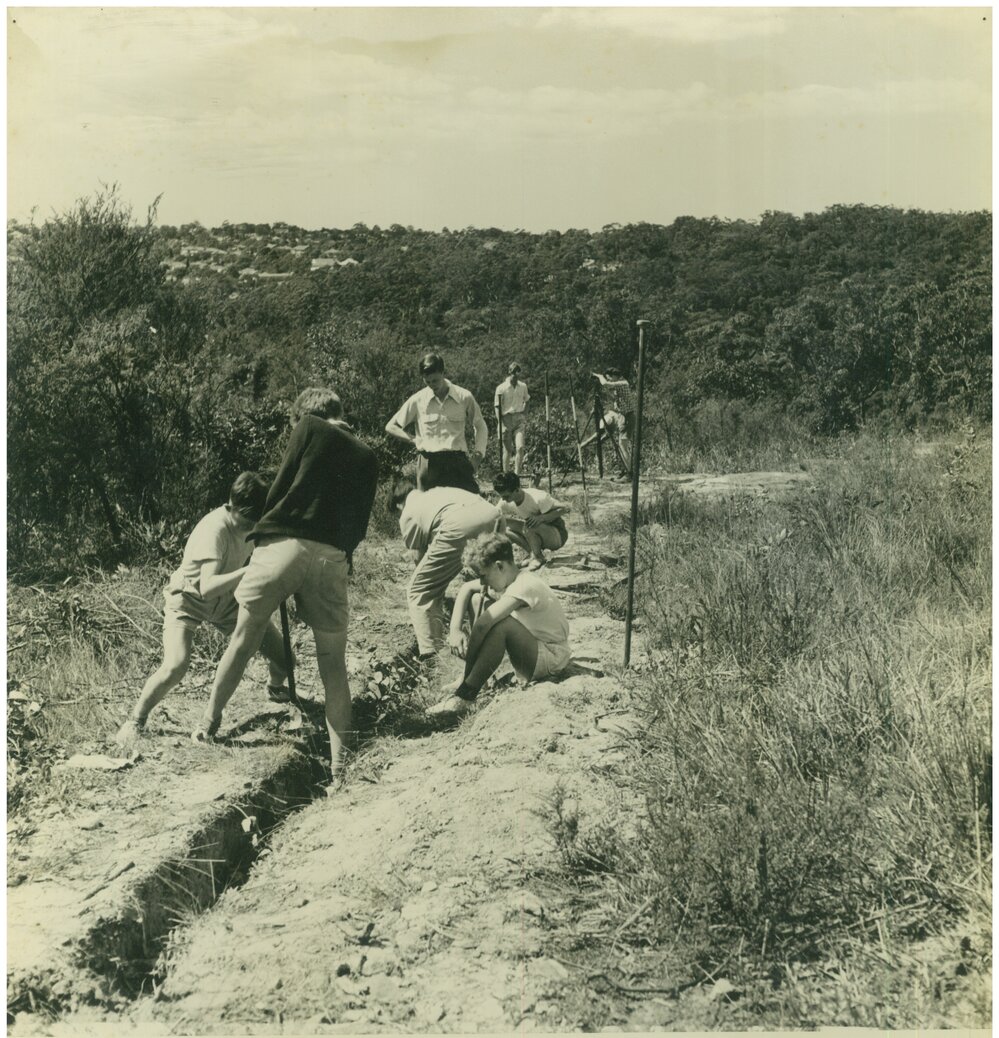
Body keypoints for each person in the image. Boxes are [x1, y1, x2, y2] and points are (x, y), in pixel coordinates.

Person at [191, 388, 378, 777]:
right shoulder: (367, 455)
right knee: (333, 665)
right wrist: (340, 554)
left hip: (283, 545)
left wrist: (264, 535)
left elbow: (281, 487)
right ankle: (340, 767)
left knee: (244, 639)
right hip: (331, 556)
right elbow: (358, 523)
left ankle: (208, 723)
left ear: (306, 413)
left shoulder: (309, 427)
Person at [114, 473, 290, 747]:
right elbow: (207, 587)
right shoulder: (215, 530)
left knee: (285, 659)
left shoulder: (254, 522)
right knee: (175, 665)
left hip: (226, 601)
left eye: (255, 521)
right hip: (188, 598)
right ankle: (136, 720)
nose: (250, 527)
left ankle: (275, 689)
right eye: (246, 520)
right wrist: (250, 571)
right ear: (232, 505)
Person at [426, 533, 572, 718]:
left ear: (499, 566)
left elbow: (482, 626)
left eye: (483, 576)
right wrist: (455, 630)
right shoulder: (511, 578)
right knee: (477, 600)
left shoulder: (524, 585)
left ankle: (466, 694)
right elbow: (466, 588)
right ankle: (474, 679)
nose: (482, 583)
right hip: (535, 648)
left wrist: (467, 671)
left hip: (551, 657)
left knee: (500, 625)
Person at [394, 480, 502, 658]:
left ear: (398, 504)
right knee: (491, 581)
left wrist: (435, 590)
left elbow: (420, 560)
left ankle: (432, 657)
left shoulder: (408, 511)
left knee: (418, 590)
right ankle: (495, 641)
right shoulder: (437, 492)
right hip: (495, 516)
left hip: (461, 525)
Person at [385, 352, 488, 494]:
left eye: (435, 380)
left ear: (443, 373)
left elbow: (480, 425)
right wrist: (414, 440)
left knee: (470, 502)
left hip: (457, 463)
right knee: (428, 506)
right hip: (429, 464)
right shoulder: (418, 400)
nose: (432, 385)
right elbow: (391, 426)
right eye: (427, 382)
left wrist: (478, 455)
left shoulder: (464, 397)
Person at [492, 471, 570, 570]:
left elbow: (565, 508)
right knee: (505, 525)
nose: (503, 499)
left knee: (529, 525)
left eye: (506, 496)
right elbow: (494, 515)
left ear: (517, 489)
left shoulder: (538, 497)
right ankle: (533, 554)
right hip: (536, 533)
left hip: (557, 535)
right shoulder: (505, 501)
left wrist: (541, 518)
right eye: (502, 496)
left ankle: (538, 558)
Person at [580, 368, 634, 476]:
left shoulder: (623, 383)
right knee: (621, 444)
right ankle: (627, 471)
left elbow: (605, 384)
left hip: (627, 417)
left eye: (609, 378)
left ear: (614, 376)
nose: (609, 380)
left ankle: (629, 473)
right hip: (622, 416)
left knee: (622, 445)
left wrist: (599, 376)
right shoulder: (619, 385)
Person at [493, 362, 530, 475]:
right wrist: (501, 423)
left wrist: (524, 415)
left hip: (519, 419)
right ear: (509, 372)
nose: (515, 375)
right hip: (506, 419)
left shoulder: (523, 386)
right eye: (513, 372)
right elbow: (497, 407)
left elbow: (527, 400)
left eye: (517, 372)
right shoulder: (501, 388)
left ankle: (516, 476)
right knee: (507, 450)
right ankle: (506, 476)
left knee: (520, 447)